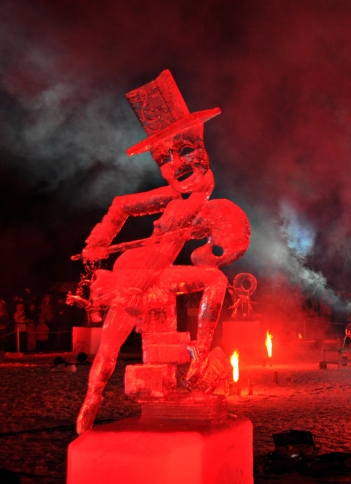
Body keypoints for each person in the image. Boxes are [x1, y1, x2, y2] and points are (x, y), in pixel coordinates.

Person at [74, 70, 250, 434]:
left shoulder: (207, 207)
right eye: (164, 159)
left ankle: (199, 355)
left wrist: (210, 246)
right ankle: (92, 398)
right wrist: (99, 239)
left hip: (158, 276)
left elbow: (220, 247)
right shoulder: (172, 199)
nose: (177, 165)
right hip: (132, 272)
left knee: (215, 279)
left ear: (202, 149)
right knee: (108, 348)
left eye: (185, 150)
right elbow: (121, 205)